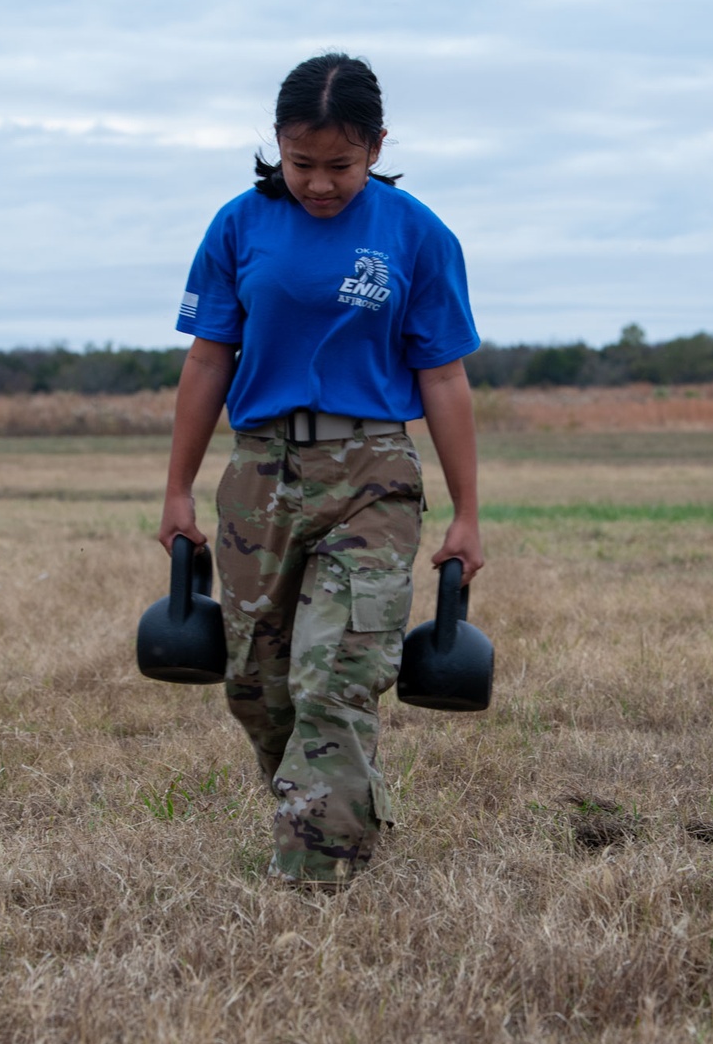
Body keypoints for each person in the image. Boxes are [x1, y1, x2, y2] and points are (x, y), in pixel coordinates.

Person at [158, 52, 483, 888]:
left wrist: (467, 513)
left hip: (372, 469)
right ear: (278, 144)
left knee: (334, 673)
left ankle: (317, 877)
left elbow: (444, 378)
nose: (320, 183)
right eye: (303, 163)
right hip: (259, 471)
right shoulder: (239, 225)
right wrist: (176, 491)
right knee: (259, 686)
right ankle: (327, 817)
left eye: (340, 165)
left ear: (376, 146)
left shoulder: (417, 234)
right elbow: (207, 361)